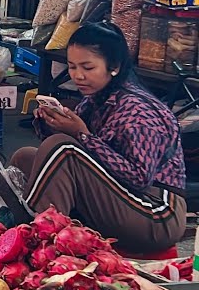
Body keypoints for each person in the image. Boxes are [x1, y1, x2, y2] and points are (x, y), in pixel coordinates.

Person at [10, 22, 186, 254]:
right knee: (26, 157)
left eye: (88, 67)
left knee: (62, 149)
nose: (78, 75)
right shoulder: (96, 98)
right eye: (72, 66)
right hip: (122, 196)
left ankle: (41, 245)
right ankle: (17, 230)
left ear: (114, 67)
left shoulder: (137, 110)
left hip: (155, 213)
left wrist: (81, 135)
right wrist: (50, 122)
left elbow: (139, 178)